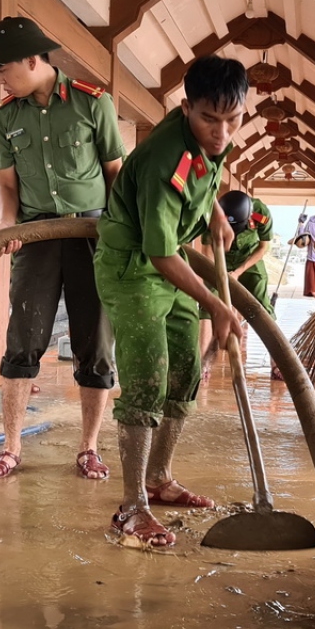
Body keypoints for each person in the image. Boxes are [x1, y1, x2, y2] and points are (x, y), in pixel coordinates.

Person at [94, 55, 249, 548]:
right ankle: (131, 506)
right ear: (187, 109)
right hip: (135, 268)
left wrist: (213, 216)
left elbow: (199, 187)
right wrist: (219, 307)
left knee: (185, 370)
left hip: (171, 262)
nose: (221, 133)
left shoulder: (210, 138)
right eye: (209, 119)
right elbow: (159, 252)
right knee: (148, 378)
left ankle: (160, 479)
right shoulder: (165, 157)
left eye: (233, 119)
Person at [0, 17, 125, 481]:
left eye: (3, 69)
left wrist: (120, 236)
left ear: (33, 61)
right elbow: (5, 185)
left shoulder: (93, 103)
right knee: (22, 340)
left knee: (94, 344)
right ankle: (11, 447)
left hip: (93, 235)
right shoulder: (7, 117)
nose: (0, 78)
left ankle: (88, 448)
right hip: (36, 235)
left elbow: (116, 174)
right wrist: (6, 222)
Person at [198, 189, 279, 378]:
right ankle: (203, 364)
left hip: (249, 261)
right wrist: (216, 274)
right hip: (220, 258)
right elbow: (207, 248)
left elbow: (263, 246)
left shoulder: (260, 213)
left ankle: (277, 363)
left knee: (261, 308)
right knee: (206, 304)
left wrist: (238, 272)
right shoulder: (212, 214)